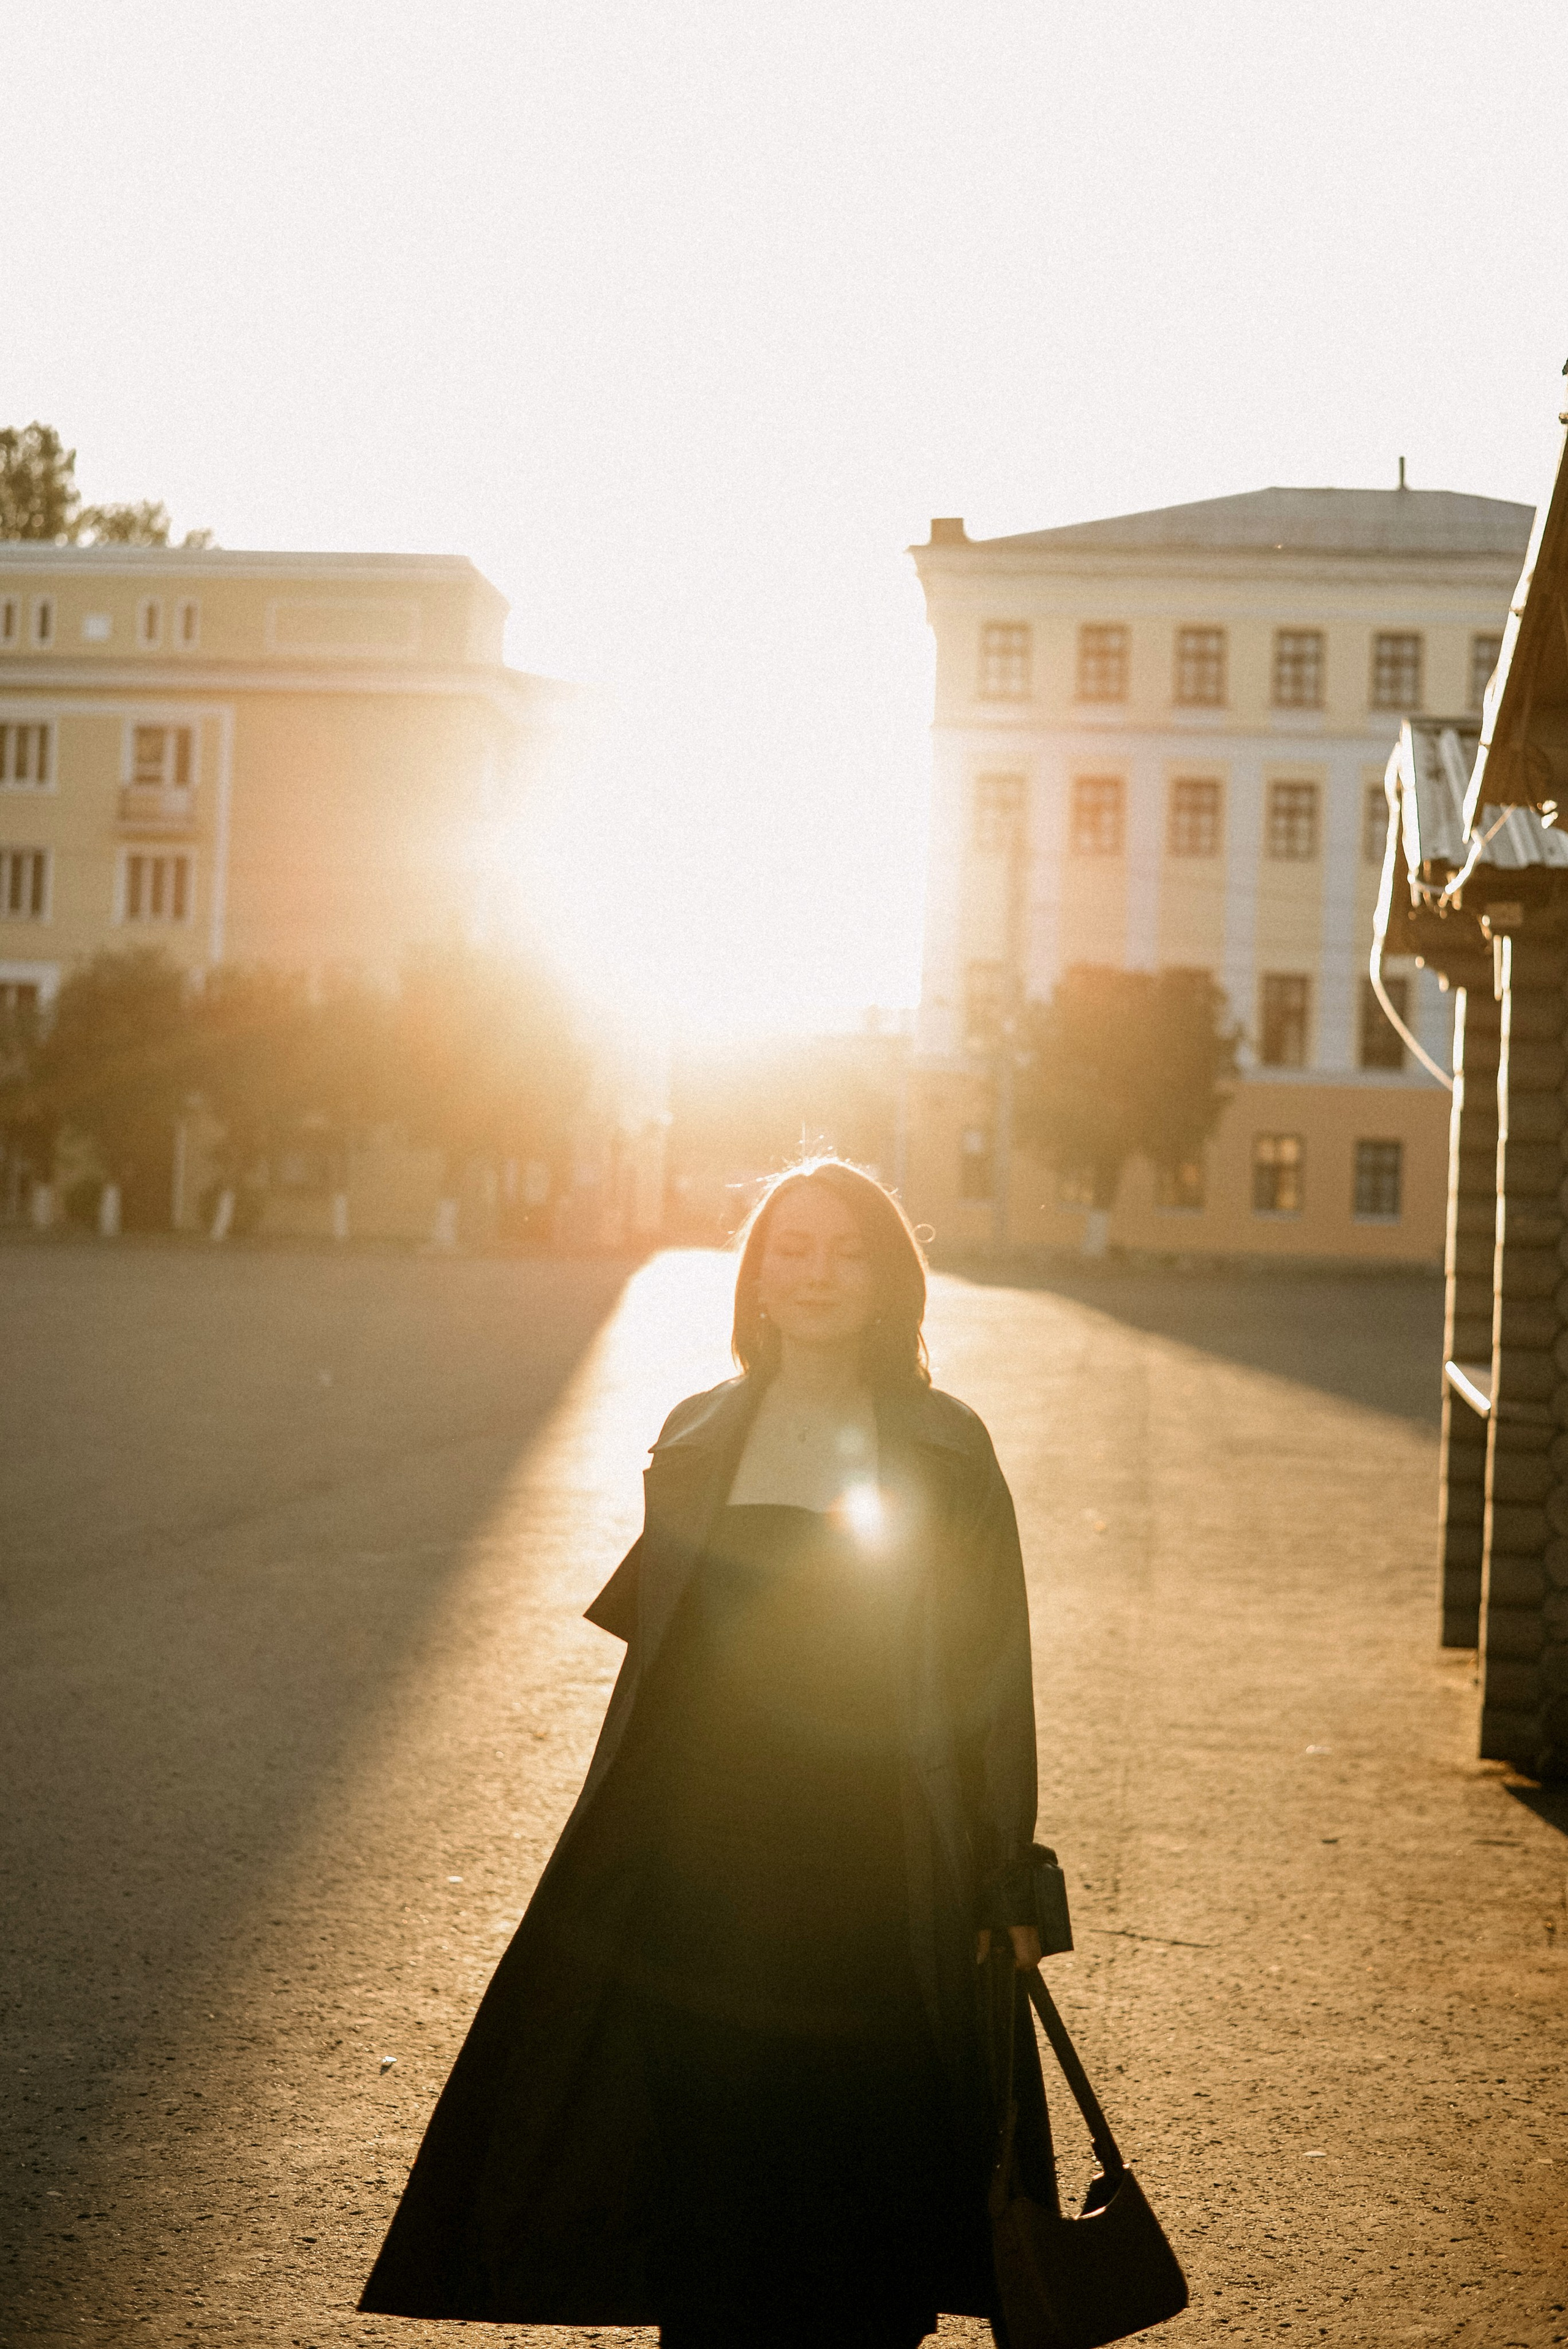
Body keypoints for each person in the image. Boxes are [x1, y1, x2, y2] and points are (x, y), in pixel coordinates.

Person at [360, 1157, 1050, 2347]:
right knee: (706, 2150)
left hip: (875, 1863)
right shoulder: (692, 1435)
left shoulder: (946, 1445)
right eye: (793, 1248)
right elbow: (661, 1657)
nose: (818, 1272)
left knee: (858, 2153)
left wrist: (1005, 1874)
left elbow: (993, 1677)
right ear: (758, 1277)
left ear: (890, 1280)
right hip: (698, 1864)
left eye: (846, 1251)